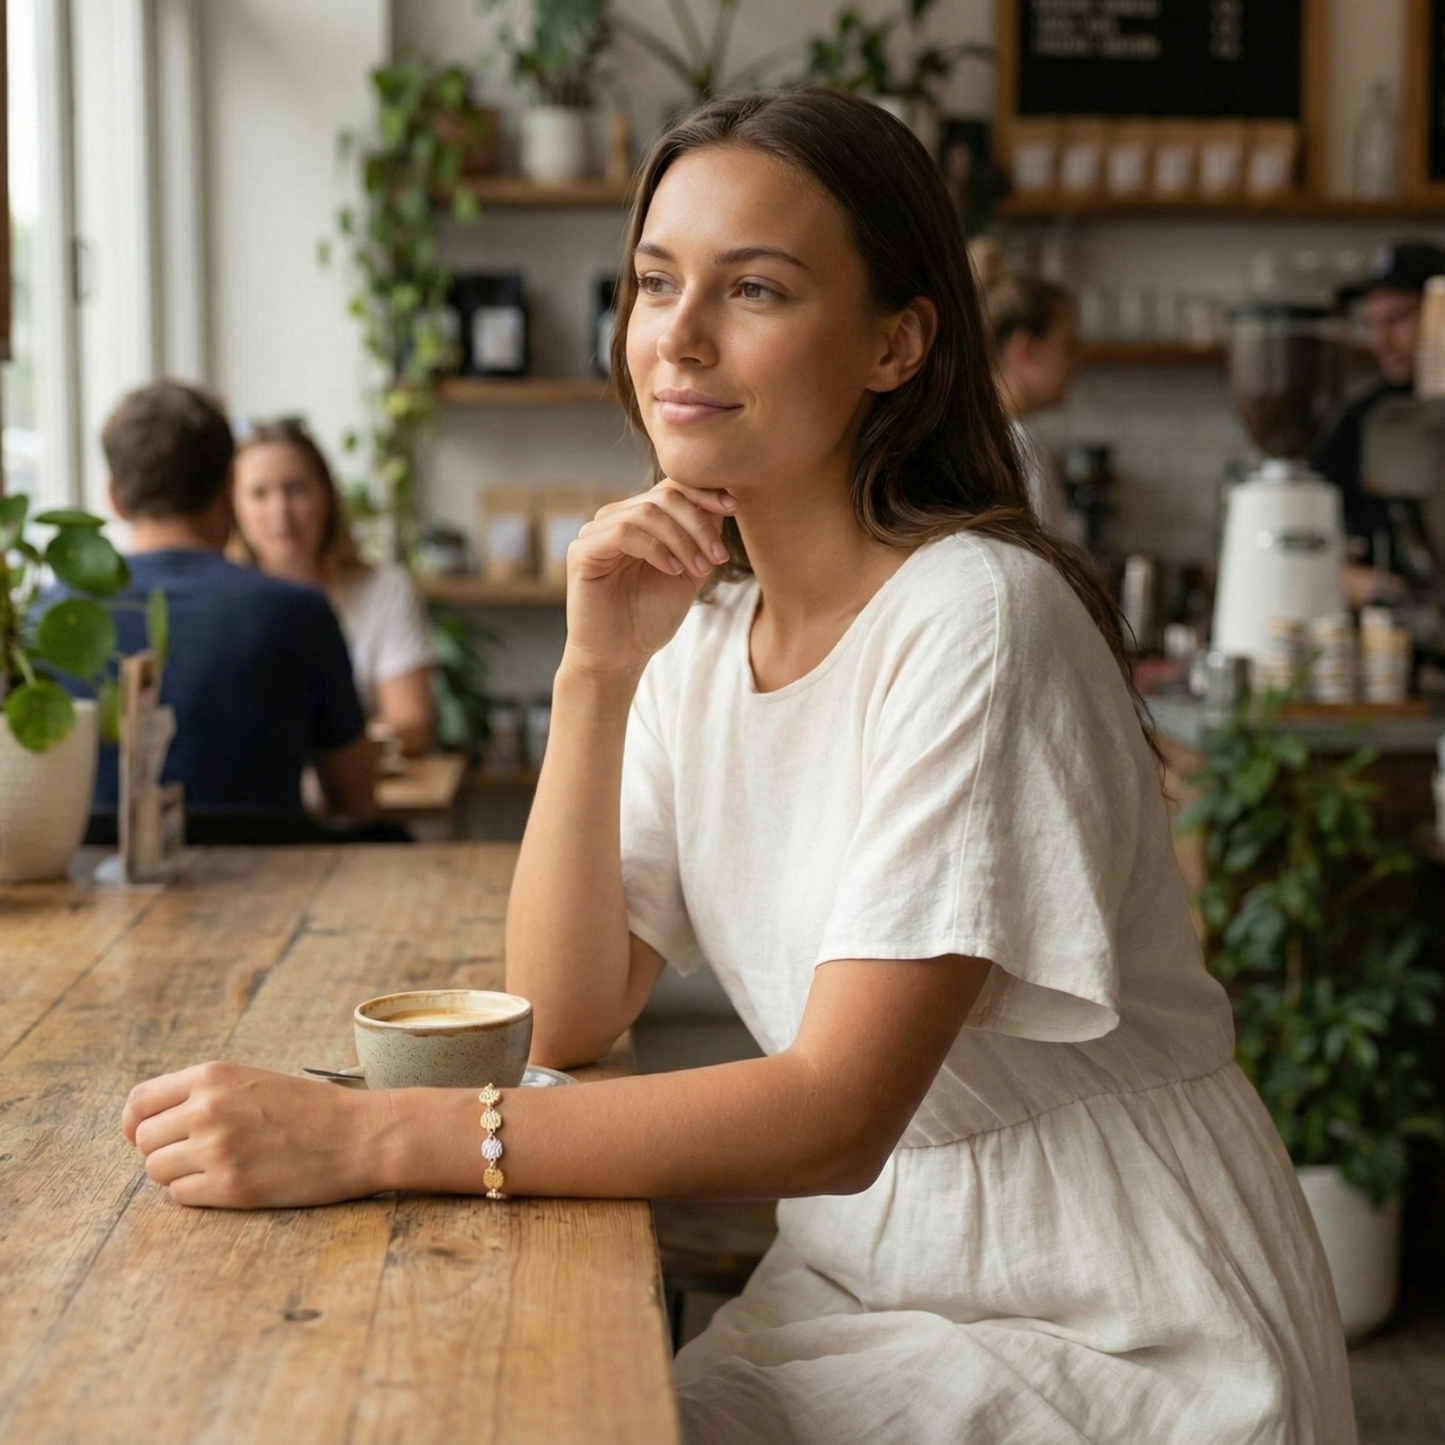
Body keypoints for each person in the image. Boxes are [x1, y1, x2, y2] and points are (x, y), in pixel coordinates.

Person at [121, 94, 1354, 1443]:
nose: (678, 336)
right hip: (861, 1273)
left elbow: (834, 1111)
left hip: (1111, 1321)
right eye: (654, 282)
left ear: (898, 341)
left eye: (753, 287)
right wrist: (596, 677)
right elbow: (567, 1010)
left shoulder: (976, 617)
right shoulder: (701, 634)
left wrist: (370, 1138)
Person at [69, 380, 377, 838]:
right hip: (274, 895)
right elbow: (355, 798)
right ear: (229, 487)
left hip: (85, 896)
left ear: (113, 498)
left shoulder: (44, 620)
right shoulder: (298, 613)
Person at [230, 418, 437, 756]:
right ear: (232, 505)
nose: (280, 512)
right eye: (259, 494)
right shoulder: (222, 598)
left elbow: (412, 724)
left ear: (326, 493)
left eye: (295, 489)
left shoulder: (384, 590)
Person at [1311, 240, 1445, 606]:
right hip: (1395, 629)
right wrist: (1340, 572)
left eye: (1400, 319)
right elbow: (1314, 525)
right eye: (1372, 324)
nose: (1381, 341)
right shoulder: (1364, 418)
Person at [971, 238, 1080, 538]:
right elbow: (1046, 568)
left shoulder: (977, 437)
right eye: (1068, 346)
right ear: (1026, 349)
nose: (1076, 362)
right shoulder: (1018, 449)